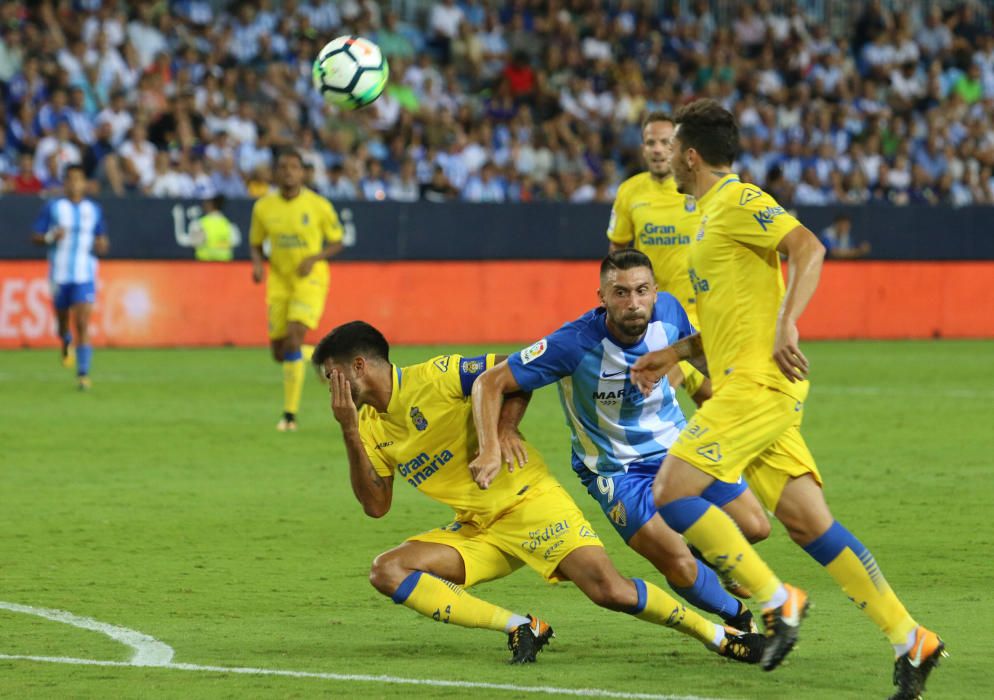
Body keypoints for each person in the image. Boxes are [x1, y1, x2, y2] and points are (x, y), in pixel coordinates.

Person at [629, 99, 943, 697]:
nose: (671, 164)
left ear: (692, 155)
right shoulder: (710, 215)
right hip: (751, 383)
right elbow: (732, 313)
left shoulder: (738, 199)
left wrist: (788, 324)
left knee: (670, 492)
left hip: (756, 385)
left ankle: (777, 602)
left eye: (678, 154)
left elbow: (809, 248)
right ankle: (911, 639)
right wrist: (678, 352)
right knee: (808, 523)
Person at [312, 321, 764, 665]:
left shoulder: (438, 376)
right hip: (479, 528)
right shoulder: (367, 427)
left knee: (610, 591)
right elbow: (376, 507)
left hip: (531, 502)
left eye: (330, 377)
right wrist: (350, 431)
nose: (328, 390)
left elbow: (514, 374)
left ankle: (720, 634)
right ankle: (521, 626)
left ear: (357, 367)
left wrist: (502, 433)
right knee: (387, 571)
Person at [469, 250, 771, 635]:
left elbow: (700, 353)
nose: (634, 303)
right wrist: (493, 443)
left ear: (655, 291)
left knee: (756, 527)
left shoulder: (670, 312)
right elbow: (491, 382)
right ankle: (739, 620)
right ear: (602, 297)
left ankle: (704, 551)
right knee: (677, 562)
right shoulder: (573, 344)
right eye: (621, 293)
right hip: (616, 469)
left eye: (642, 291)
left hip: (679, 449)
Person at [607, 113, 708, 406]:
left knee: (666, 384)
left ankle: (643, 443)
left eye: (665, 142)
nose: (657, 148)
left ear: (678, 147)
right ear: (642, 148)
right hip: (652, 311)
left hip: (697, 308)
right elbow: (617, 250)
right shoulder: (630, 192)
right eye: (650, 142)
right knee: (708, 397)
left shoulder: (698, 188)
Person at [250, 150, 343, 432]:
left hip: (310, 279)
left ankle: (289, 415)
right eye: (283, 167)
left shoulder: (318, 205)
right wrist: (257, 265)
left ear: (303, 173)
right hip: (279, 281)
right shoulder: (263, 207)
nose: (288, 172)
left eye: (293, 167)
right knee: (280, 352)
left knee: (292, 338)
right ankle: (318, 355)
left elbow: (337, 241)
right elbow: (256, 243)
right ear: (276, 173)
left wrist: (314, 258)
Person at [30, 164, 109, 390]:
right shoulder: (54, 207)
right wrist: (50, 236)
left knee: (83, 323)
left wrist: (102, 243)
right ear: (65, 183)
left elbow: (101, 237)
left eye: (79, 179)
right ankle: (65, 341)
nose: (75, 184)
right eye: (71, 179)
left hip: (84, 272)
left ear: (85, 183)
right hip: (60, 273)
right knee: (63, 324)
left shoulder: (93, 209)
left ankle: (83, 374)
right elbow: (35, 236)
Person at [191, 194, 239, 262]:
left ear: (210, 204)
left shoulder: (200, 224)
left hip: (204, 264)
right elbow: (235, 242)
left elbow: (195, 243)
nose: (203, 204)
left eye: (206, 202)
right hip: (225, 265)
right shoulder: (228, 224)